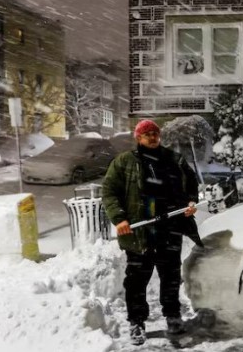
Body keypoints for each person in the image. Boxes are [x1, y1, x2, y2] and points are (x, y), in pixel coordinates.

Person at [102, 119, 201, 346]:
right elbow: (109, 192)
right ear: (138, 137)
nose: (153, 137)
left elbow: (191, 183)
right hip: (140, 231)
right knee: (136, 281)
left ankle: (172, 316)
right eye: (147, 134)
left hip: (169, 228)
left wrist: (190, 202)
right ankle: (136, 322)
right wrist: (119, 218)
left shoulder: (174, 160)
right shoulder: (124, 162)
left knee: (171, 278)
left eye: (155, 133)